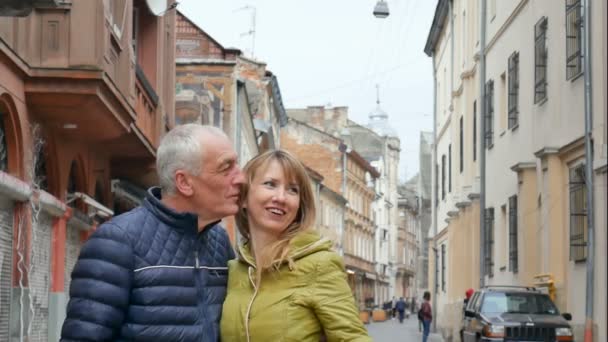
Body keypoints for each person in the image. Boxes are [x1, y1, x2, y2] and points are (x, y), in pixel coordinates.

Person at [60, 124, 244, 341]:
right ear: (184, 182)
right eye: (226, 168)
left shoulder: (219, 242)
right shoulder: (116, 241)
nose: (241, 178)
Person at [220, 150, 371, 342]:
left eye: (293, 190)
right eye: (270, 184)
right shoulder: (235, 269)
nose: (281, 197)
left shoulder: (319, 264)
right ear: (243, 198)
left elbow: (352, 337)